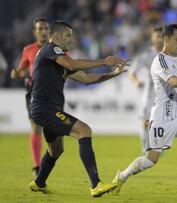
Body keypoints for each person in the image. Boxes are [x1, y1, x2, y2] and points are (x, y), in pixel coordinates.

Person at [111, 24, 177, 195]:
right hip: (162, 118)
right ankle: (122, 176)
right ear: (167, 38)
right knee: (150, 161)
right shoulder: (159, 60)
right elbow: (172, 82)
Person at [28, 21, 129, 197]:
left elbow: (87, 79)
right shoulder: (50, 49)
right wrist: (104, 61)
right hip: (44, 108)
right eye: (68, 35)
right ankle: (95, 185)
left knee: (56, 150)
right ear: (57, 35)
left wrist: (113, 74)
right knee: (84, 130)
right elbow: (73, 65)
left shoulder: (59, 60)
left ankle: (38, 183)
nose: (71, 40)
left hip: (46, 108)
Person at [11, 17, 49, 175]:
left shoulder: (57, 49)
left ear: (50, 31)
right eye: (40, 29)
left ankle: (47, 161)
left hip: (52, 92)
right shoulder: (28, 50)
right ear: (35, 32)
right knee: (35, 127)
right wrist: (17, 72)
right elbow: (21, 69)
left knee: (53, 132)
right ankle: (37, 166)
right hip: (33, 91)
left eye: (46, 28)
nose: (43, 32)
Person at [129, 27, 163, 153]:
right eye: (157, 36)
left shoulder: (171, 55)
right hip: (150, 95)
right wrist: (136, 81)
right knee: (145, 121)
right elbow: (132, 72)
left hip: (166, 96)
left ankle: (156, 145)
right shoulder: (146, 56)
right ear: (152, 38)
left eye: (162, 36)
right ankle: (145, 147)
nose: (160, 39)